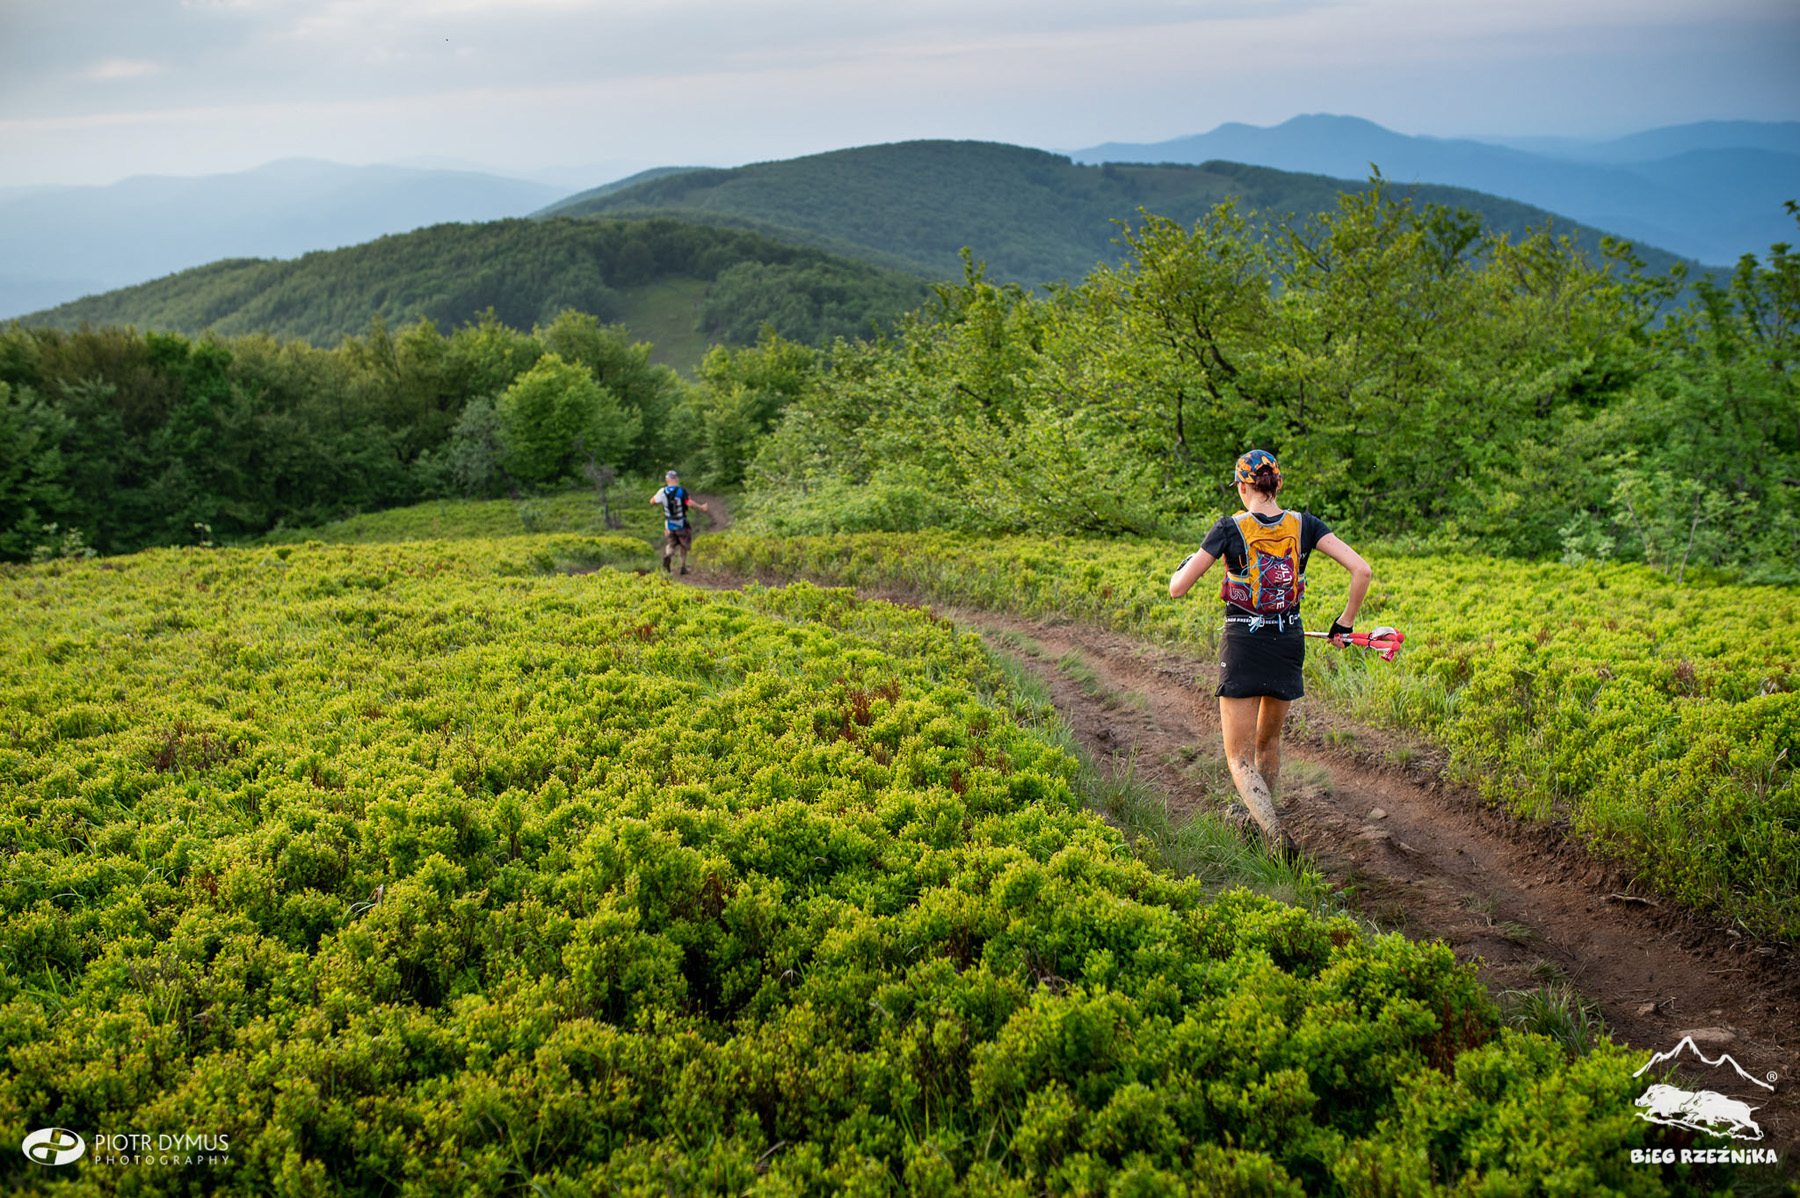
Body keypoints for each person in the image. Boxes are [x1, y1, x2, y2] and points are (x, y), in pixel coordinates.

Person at [1168, 449, 1372, 857]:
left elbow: (1177, 587)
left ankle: (1275, 835)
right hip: (1288, 643)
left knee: (1238, 759)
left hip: (1243, 645)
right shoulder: (1306, 525)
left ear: (1244, 487)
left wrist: (1191, 559)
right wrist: (1345, 623)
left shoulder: (1228, 528)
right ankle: (1266, 827)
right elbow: (1361, 570)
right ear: (1278, 484)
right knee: (1268, 746)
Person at [650, 470, 710, 575]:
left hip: (669, 524)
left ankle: (668, 555)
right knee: (683, 545)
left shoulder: (662, 492)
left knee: (670, 544)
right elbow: (689, 503)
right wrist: (701, 507)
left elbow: (653, 501)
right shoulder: (681, 491)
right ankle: (683, 566)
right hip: (681, 523)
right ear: (677, 479)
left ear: (666, 480)